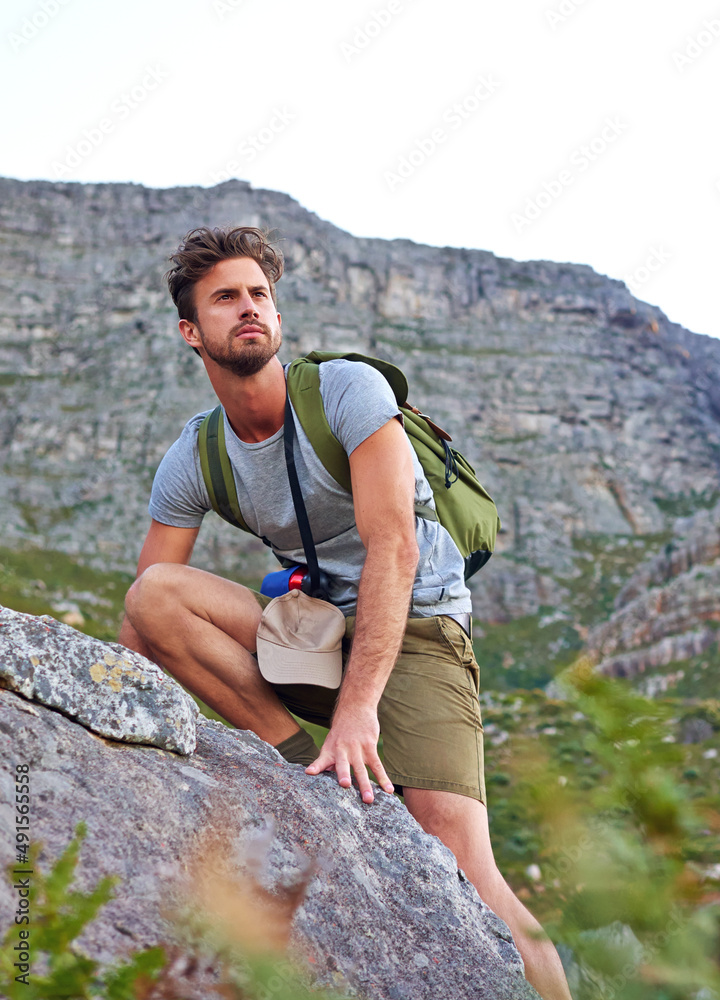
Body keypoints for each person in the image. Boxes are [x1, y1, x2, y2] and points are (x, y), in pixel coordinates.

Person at [119, 226, 572, 1000]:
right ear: (191, 332)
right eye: (225, 299)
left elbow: (393, 548)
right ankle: (300, 770)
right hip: (320, 634)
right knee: (154, 595)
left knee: (459, 852)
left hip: (419, 626)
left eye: (259, 294)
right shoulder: (195, 456)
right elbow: (142, 627)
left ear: (279, 316)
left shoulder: (346, 393)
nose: (249, 309)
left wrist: (359, 711)